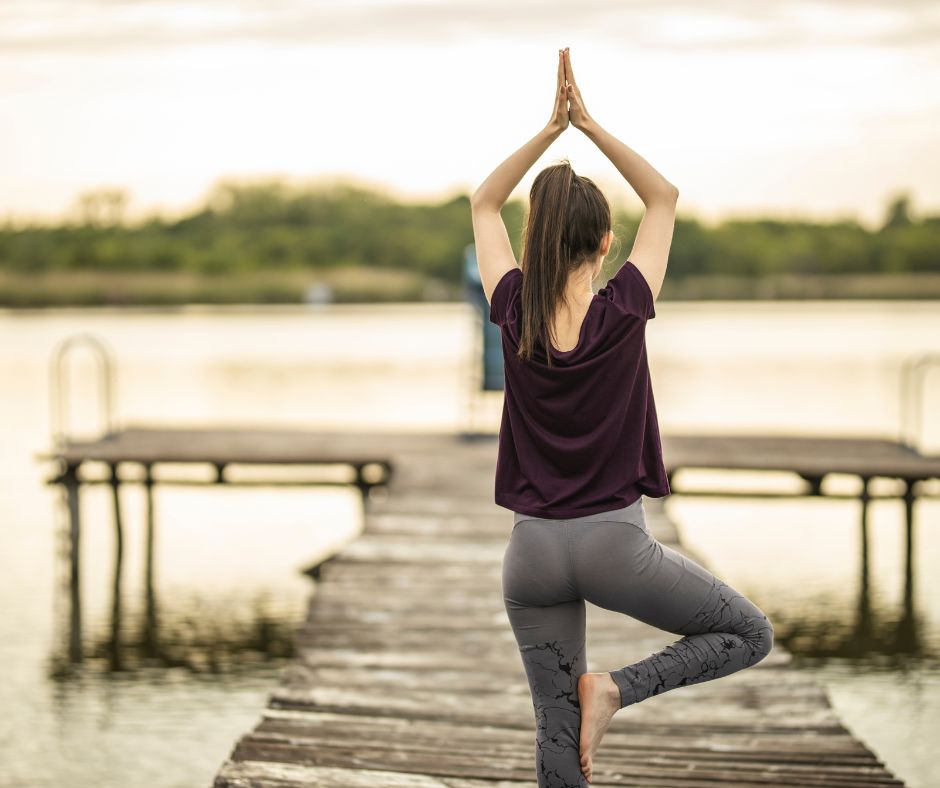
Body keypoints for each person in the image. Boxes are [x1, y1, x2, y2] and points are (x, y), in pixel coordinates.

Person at [470, 48, 774, 786]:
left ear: (536, 240)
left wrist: (550, 131)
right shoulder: (626, 308)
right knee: (748, 632)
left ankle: (587, 708)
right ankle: (616, 689)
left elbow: (483, 202)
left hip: (532, 553)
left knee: (555, 739)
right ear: (607, 242)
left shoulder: (512, 310)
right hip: (616, 545)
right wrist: (589, 125)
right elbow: (663, 195)